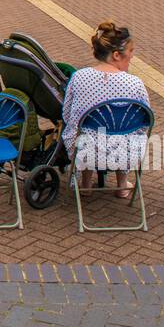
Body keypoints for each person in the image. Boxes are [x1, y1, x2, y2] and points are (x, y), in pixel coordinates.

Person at [61, 21, 151, 198]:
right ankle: (121, 185)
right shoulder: (135, 84)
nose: (132, 56)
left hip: (86, 151)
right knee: (127, 133)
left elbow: (67, 114)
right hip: (124, 153)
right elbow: (146, 121)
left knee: (84, 131)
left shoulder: (79, 77)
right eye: (131, 52)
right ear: (117, 55)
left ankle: (85, 184)